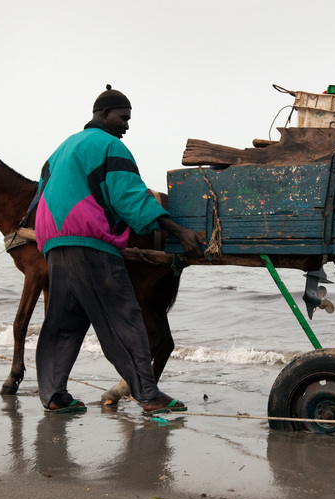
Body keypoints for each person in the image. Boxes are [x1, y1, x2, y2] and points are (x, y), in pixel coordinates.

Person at [33, 84, 206, 414]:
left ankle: (54, 396)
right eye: (122, 117)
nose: (126, 125)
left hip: (55, 246)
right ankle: (149, 395)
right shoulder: (109, 146)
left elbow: (40, 196)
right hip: (91, 247)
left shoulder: (61, 149)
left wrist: (48, 242)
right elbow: (131, 199)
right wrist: (179, 231)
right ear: (102, 114)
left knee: (62, 324)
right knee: (123, 319)